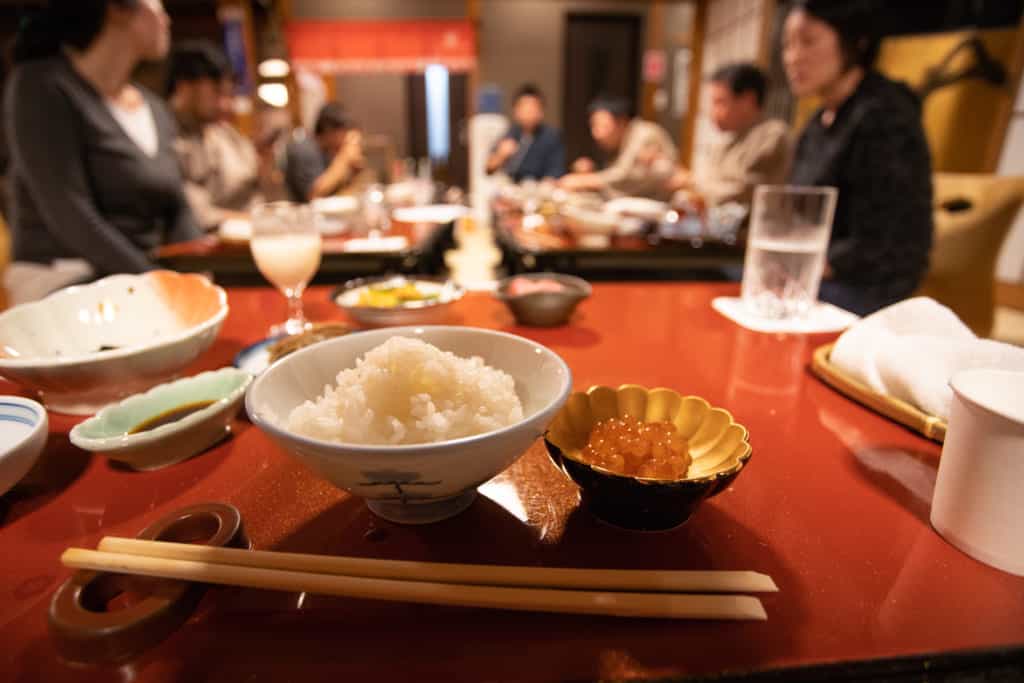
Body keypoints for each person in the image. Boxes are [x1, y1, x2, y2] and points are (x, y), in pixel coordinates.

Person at [4, 0, 202, 276]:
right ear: (117, 9)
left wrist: (197, 270)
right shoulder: (41, 85)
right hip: (66, 275)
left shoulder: (154, 107)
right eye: (158, 5)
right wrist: (155, 281)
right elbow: (70, 214)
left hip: (147, 275)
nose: (166, 19)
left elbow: (177, 207)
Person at [784, 0, 933, 315]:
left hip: (867, 288)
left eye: (808, 41)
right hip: (809, 275)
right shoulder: (816, 125)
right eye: (788, 44)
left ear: (857, 41)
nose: (792, 57)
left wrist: (807, 263)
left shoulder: (885, 114)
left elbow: (888, 242)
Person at [166, 40, 262, 231]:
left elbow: (254, 182)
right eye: (217, 93)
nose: (226, 105)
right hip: (205, 249)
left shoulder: (223, 133)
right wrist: (262, 222)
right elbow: (199, 215)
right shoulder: (165, 137)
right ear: (184, 87)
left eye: (228, 95)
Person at [667, 63, 790, 207]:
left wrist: (693, 183)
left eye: (720, 102)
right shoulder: (731, 141)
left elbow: (743, 193)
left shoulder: (773, 135)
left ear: (747, 101)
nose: (712, 112)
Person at [559, 97, 677, 200]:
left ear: (621, 123)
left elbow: (625, 174)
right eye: (594, 125)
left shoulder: (643, 133)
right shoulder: (618, 141)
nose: (596, 133)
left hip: (657, 206)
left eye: (604, 126)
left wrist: (585, 180)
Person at [284, 102, 371, 202]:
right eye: (345, 132)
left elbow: (341, 190)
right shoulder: (303, 149)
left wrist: (353, 171)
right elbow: (313, 195)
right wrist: (344, 159)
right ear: (328, 129)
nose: (347, 139)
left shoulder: (330, 150)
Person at [485, 84, 566, 181]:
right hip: (512, 188)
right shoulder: (511, 133)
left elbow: (556, 172)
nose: (528, 113)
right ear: (515, 111)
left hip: (539, 189)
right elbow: (488, 169)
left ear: (541, 112)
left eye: (533, 108)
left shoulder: (551, 136)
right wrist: (501, 155)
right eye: (524, 108)